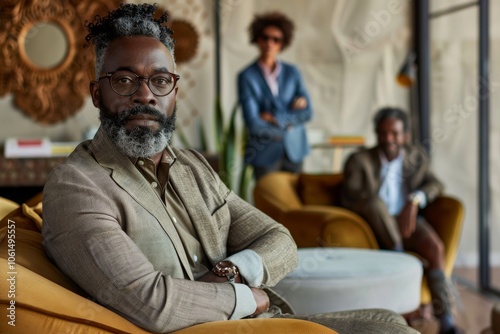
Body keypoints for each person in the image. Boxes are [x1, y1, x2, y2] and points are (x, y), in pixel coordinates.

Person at [42, 4, 418, 333]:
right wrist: (246, 298)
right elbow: (152, 303)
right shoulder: (77, 186)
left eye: (159, 81)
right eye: (124, 80)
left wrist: (229, 273)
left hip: (261, 323)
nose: (145, 94)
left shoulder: (193, 167)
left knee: (390, 319)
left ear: (173, 93)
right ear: (96, 94)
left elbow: (280, 240)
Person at [341, 107, 462, 334]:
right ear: (377, 133)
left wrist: (415, 199)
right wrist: (378, 209)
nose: (389, 139)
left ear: (405, 135)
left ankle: (446, 321)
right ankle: (401, 264)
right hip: (373, 227)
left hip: (407, 223)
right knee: (375, 204)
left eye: (395, 134)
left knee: (435, 248)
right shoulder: (359, 160)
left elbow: (435, 184)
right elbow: (351, 197)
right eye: (384, 133)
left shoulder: (416, 157)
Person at [238, 12, 313, 180]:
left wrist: (274, 119)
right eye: (265, 38)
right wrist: (289, 116)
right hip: (264, 153)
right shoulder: (246, 76)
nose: (269, 43)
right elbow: (253, 122)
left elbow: (307, 112)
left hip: (295, 150)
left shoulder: (292, 72)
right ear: (257, 39)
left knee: (296, 204)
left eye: (276, 39)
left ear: (282, 43)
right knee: (267, 205)